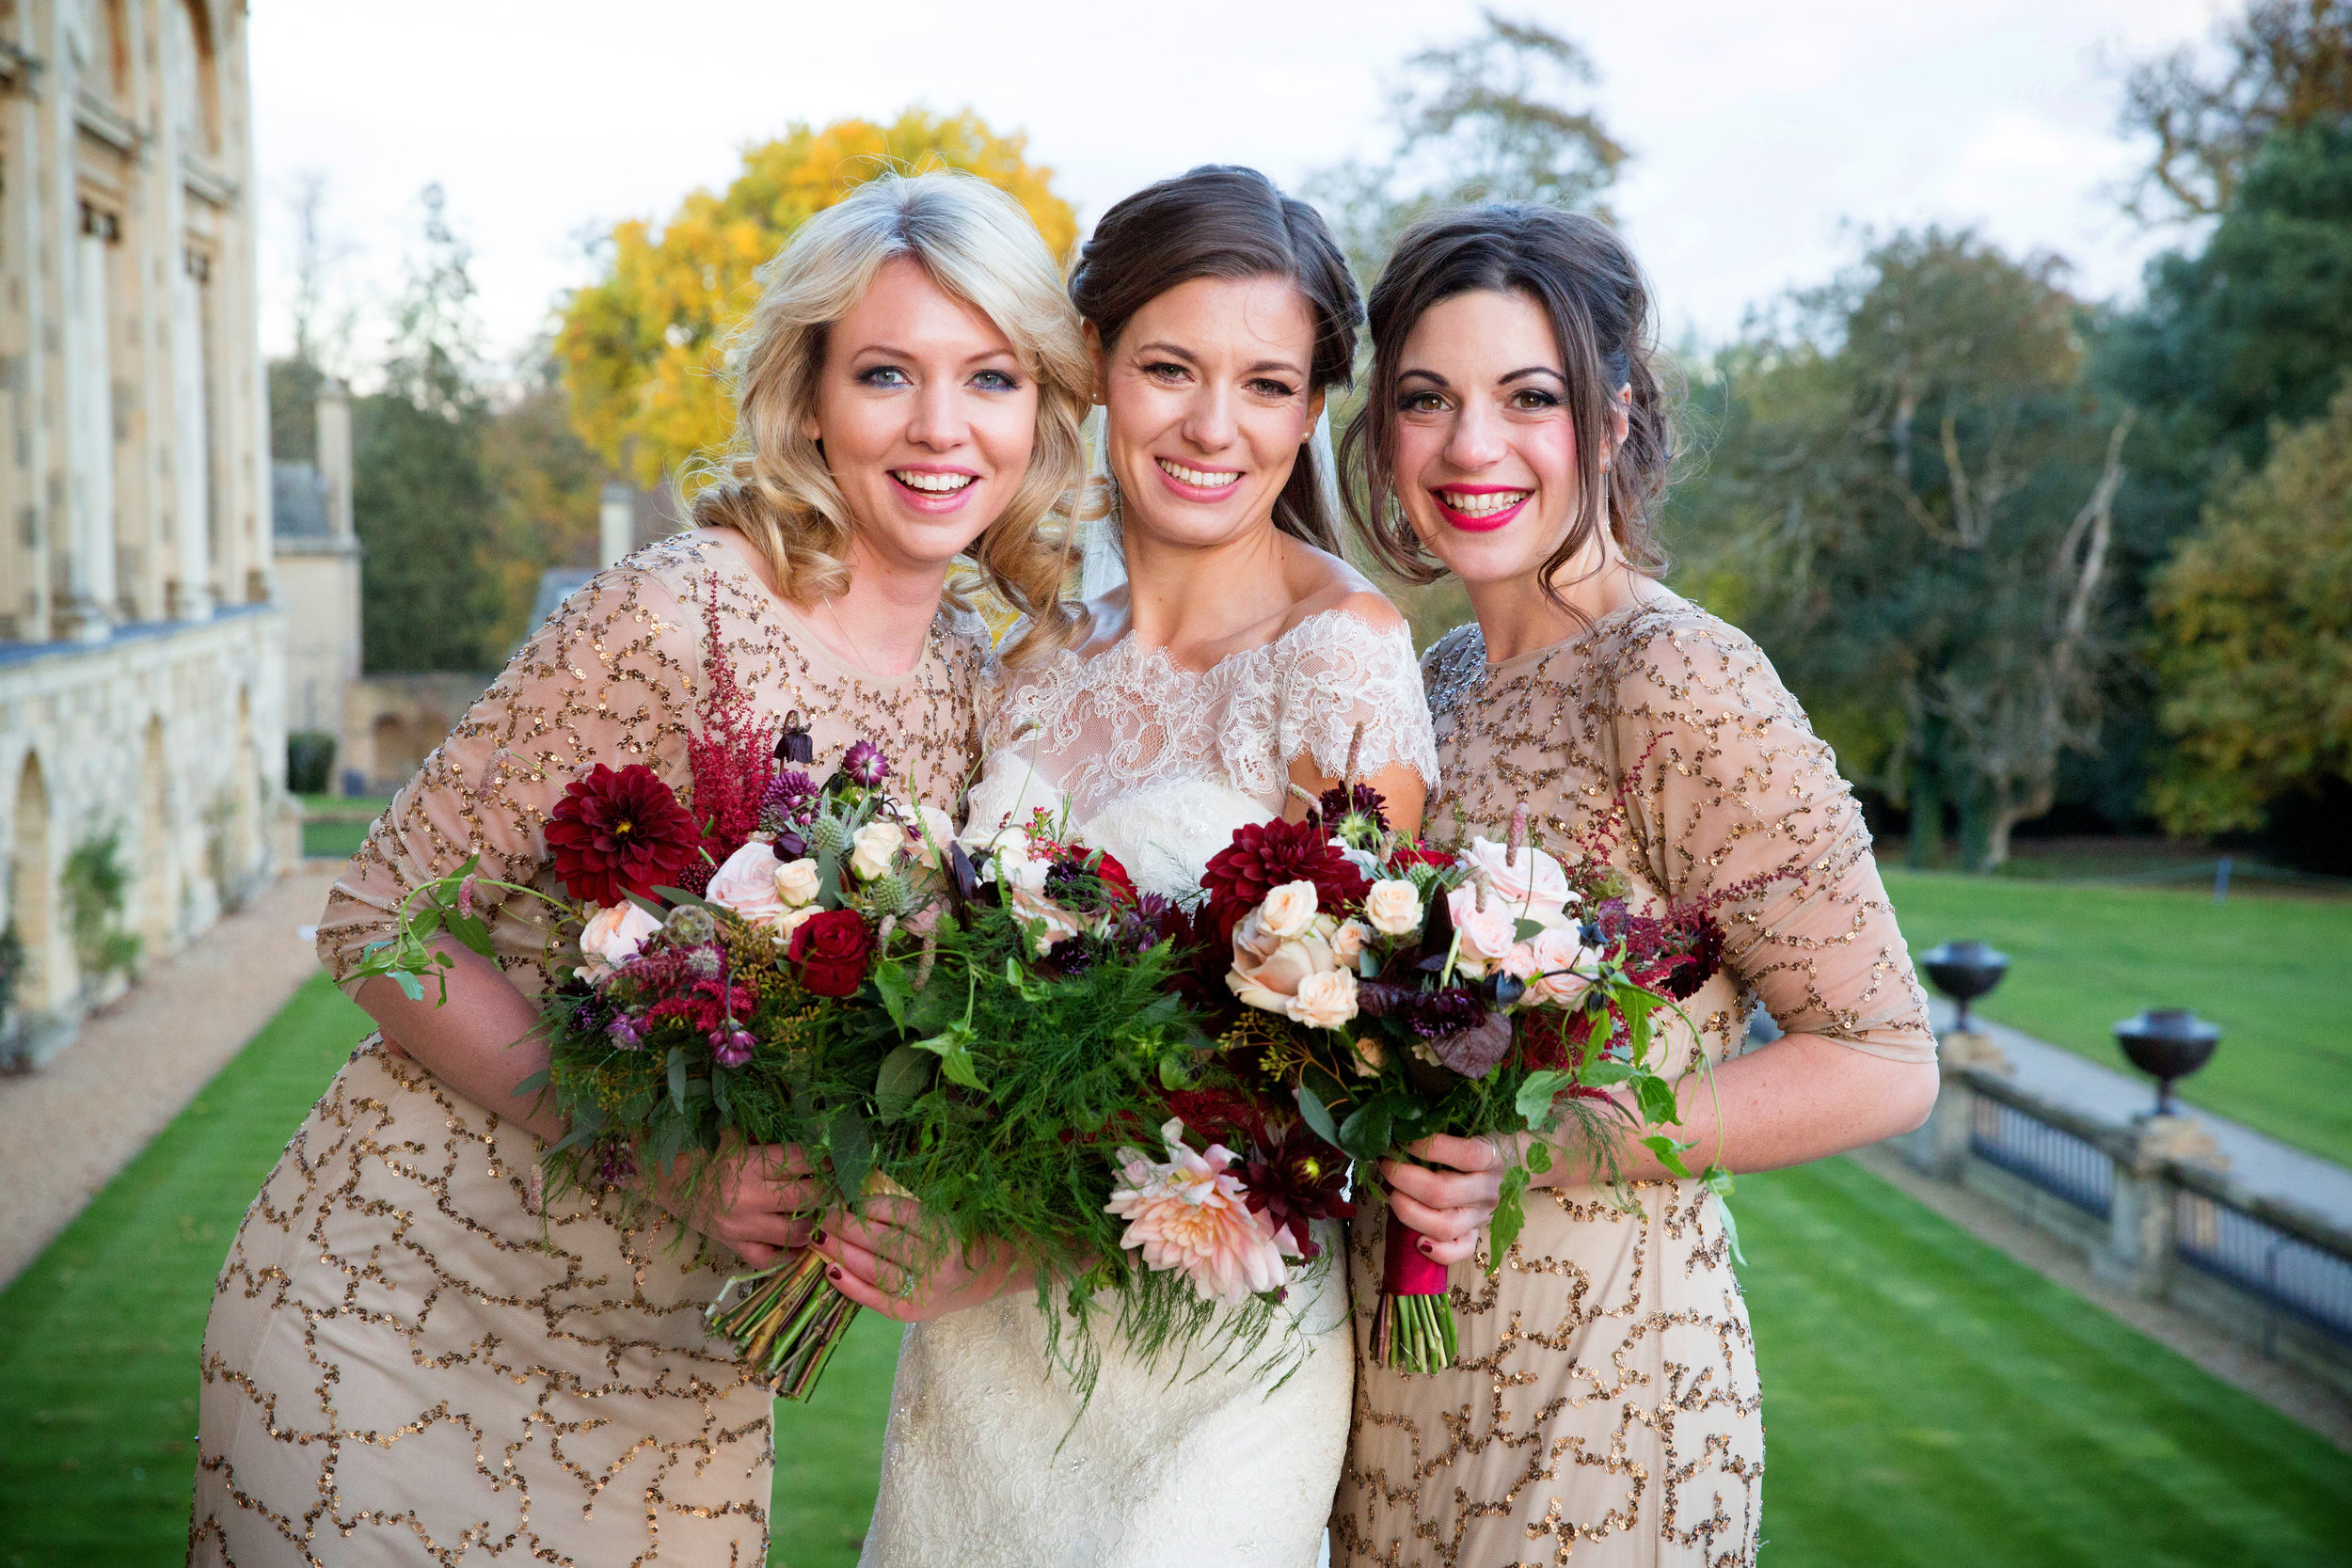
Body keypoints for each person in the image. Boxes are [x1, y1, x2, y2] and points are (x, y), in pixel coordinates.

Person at [186, 169, 1093, 1567]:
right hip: (400, 1316)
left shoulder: (981, 695)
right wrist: (663, 1167)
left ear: (1039, 413)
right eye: (886, 373)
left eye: (989, 377)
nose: (939, 427)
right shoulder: (675, 615)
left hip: (679, 1384)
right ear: (806, 397)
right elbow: (378, 926)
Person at [818, 166, 1485, 1568]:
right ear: (1098, 372)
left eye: (1264, 384)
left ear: (1312, 411)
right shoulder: (1026, 661)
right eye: (1168, 367)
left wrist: (1012, 1245)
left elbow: (1334, 1074)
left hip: (1215, 1342)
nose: (1210, 426)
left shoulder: (1342, 662)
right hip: (991, 1354)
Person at [1330, 204, 1940, 1566]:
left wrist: (1542, 1143)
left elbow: (1886, 1058)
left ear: (1612, 424)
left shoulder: (1680, 679)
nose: (1469, 447)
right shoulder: (1437, 683)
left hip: (1600, 1393)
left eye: (1526, 398)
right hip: (1403, 1392)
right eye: (1426, 399)